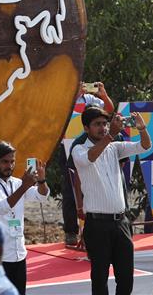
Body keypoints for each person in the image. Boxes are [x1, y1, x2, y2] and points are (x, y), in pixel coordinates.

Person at [72, 106, 151, 295]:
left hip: (121, 223)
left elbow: (145, 146)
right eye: (97, 124)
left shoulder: (115, 147)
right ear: (86, 128)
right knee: (99, 277)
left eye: (105, 124)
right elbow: (90, 158)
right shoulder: (79, 150)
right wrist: (111, 135)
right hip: (97, 224)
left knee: (126, 276)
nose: (103, 128)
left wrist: (142, 128)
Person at [0, 142, 48, 294]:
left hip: (18, 254)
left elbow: (41, 197)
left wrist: (41, 181)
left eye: (12, 161)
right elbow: (2, 207)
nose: (9, 166)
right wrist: (24, 186)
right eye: (5, 161)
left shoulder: (16, 183)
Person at [60, 81, 115, 246]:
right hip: (70, 145)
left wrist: (103, 94)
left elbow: (109, 110)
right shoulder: (65, 97)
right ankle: (71, 231)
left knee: (96, 186)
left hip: (93, 145)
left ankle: (95, 230)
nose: (83, 86)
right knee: (71, 189)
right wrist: (75, 95)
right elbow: (59, 114)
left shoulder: (91, 98)